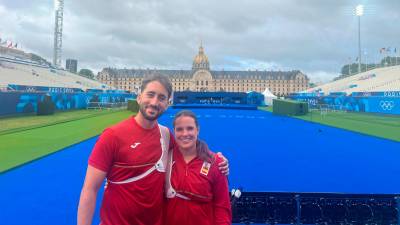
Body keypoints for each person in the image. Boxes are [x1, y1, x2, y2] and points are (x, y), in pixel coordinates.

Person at [77, 74, 229, 225]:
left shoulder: (166, 136)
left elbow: (189, 149)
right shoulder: (112, 136)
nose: (155, 102)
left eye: (162, 98)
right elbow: (89, 190)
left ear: (167, 103)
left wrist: (217, 159)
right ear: (139, 97)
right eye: (150, 94)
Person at [165, 110, 231, 225]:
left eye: (190, 128)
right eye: (179, 129)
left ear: (198, 130)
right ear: (174, 132)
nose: (185, 134)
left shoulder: (216, 162)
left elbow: (222, 206)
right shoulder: (164, 158)